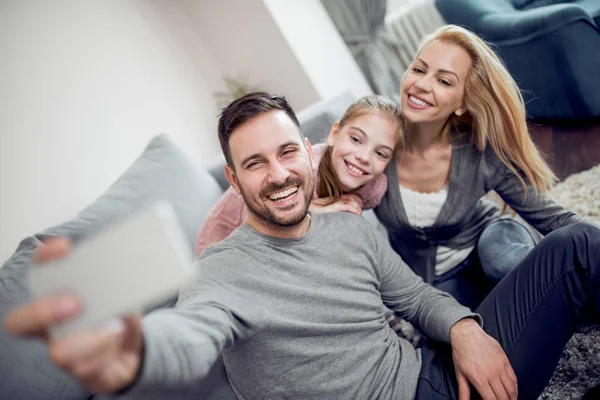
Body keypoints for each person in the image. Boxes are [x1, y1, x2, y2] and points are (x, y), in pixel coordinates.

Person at [5, 92, 600, 400]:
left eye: (288, 152)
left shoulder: (350, 222)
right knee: (578, 253)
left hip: (433, 368)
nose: (280, 173)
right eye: (255, 164)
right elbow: (190, 336)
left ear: (310, 149)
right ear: (234, 182)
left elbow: (416, 297)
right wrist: (132, 352)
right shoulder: (220, 272)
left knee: (571, 241)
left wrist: (467, 330)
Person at [374, 25, 583, 309]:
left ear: (462, 104)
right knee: (458, 329)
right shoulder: (376, 140)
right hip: (440, 277)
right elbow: (333, 162)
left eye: (444, 81)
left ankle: (576, 290)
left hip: (492, 237)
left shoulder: (480, 154)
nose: (421, 85)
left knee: (503, 264)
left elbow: (554, 219)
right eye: (419, 70)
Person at [194, 94, 403, 257]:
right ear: (334, 133)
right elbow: (264, 223)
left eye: (380, 153)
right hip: (230, 226)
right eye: (356, 139)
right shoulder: (305, 170)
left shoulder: (374, 188)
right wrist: (320, 210)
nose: (364, 157)